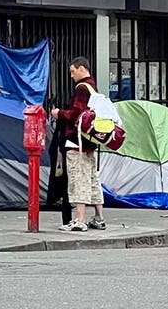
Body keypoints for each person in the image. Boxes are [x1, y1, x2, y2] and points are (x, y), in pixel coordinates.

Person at [54, 57, 105, 232]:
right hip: (91, 141)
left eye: (72, 71)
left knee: (77, 179)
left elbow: (76, 113)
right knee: (92, 179)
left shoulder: (82, 88)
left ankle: (80, 219)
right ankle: (99, 217)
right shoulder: (93, 87)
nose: (71, 75)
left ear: (81, 68)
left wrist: (58, 113)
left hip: (76, 142)